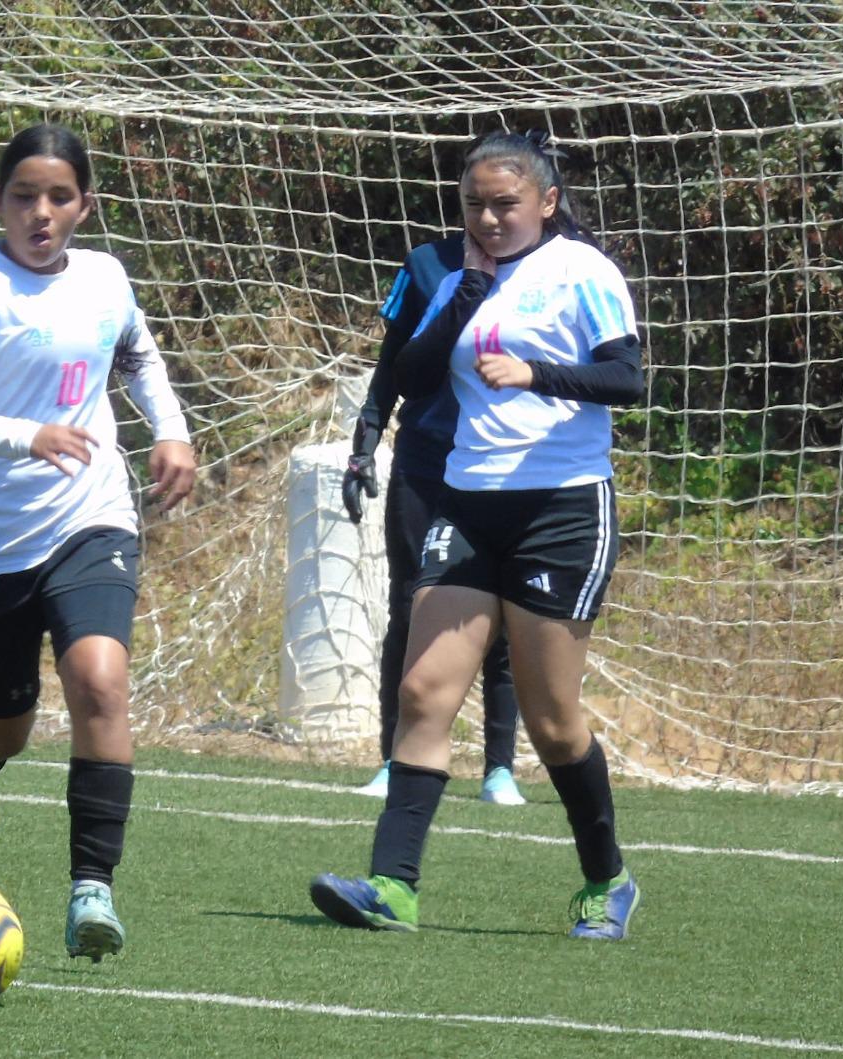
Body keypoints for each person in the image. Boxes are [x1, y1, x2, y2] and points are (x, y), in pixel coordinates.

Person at [310, 130, 645, 940]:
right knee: (423, 692)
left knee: (552, 719)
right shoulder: (462, 274)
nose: (490, 218)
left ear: (547, 202)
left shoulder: (584, 272)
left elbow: (629, 378)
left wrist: (537, 373)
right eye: (475, 205)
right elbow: (415, 376)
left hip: (560, 509)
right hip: (467, 500)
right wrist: (464, 295)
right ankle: (393, 887)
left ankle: (608, 880)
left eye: (506, 204)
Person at [0, 124, 197, 963]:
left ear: (85, 205)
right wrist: (24, 435)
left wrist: (170, 432)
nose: (41, 212)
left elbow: (138, 355)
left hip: (91, 513)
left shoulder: (105, 276)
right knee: (6, 719)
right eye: (24, 195)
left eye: (59, 196)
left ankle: (91, 889)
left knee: (100, 681)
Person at [344, 234, 526, 807]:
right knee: (410, 605)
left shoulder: (550, 269)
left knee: (505, 611)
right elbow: (392, 360)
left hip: (506, 466)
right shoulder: (426, 265)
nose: (489, 214)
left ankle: (500, 769)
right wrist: (364, 444)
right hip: (425, 461)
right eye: (476, 198)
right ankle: (395, 759)